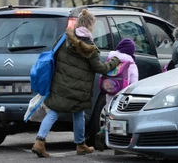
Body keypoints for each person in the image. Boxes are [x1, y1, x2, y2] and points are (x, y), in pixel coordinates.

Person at [31, 9, 120, 158]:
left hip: (60, 84)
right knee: (78, 114)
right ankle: (80, 144)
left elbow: (54, 54)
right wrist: (114, 62)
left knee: (54, 111)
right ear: (91, 25)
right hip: (79, 89)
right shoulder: (90, 48)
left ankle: (40, 142)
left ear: (78, 23)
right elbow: (99, 68)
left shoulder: (64, 38)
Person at [95, 38, 139, 152]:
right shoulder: (130, 63)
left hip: (110, 92)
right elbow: (134, 83)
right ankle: (118, 148)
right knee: (120, 119)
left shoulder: (111, 59)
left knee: (110, 116)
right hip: (123, 95)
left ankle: (102, 132)